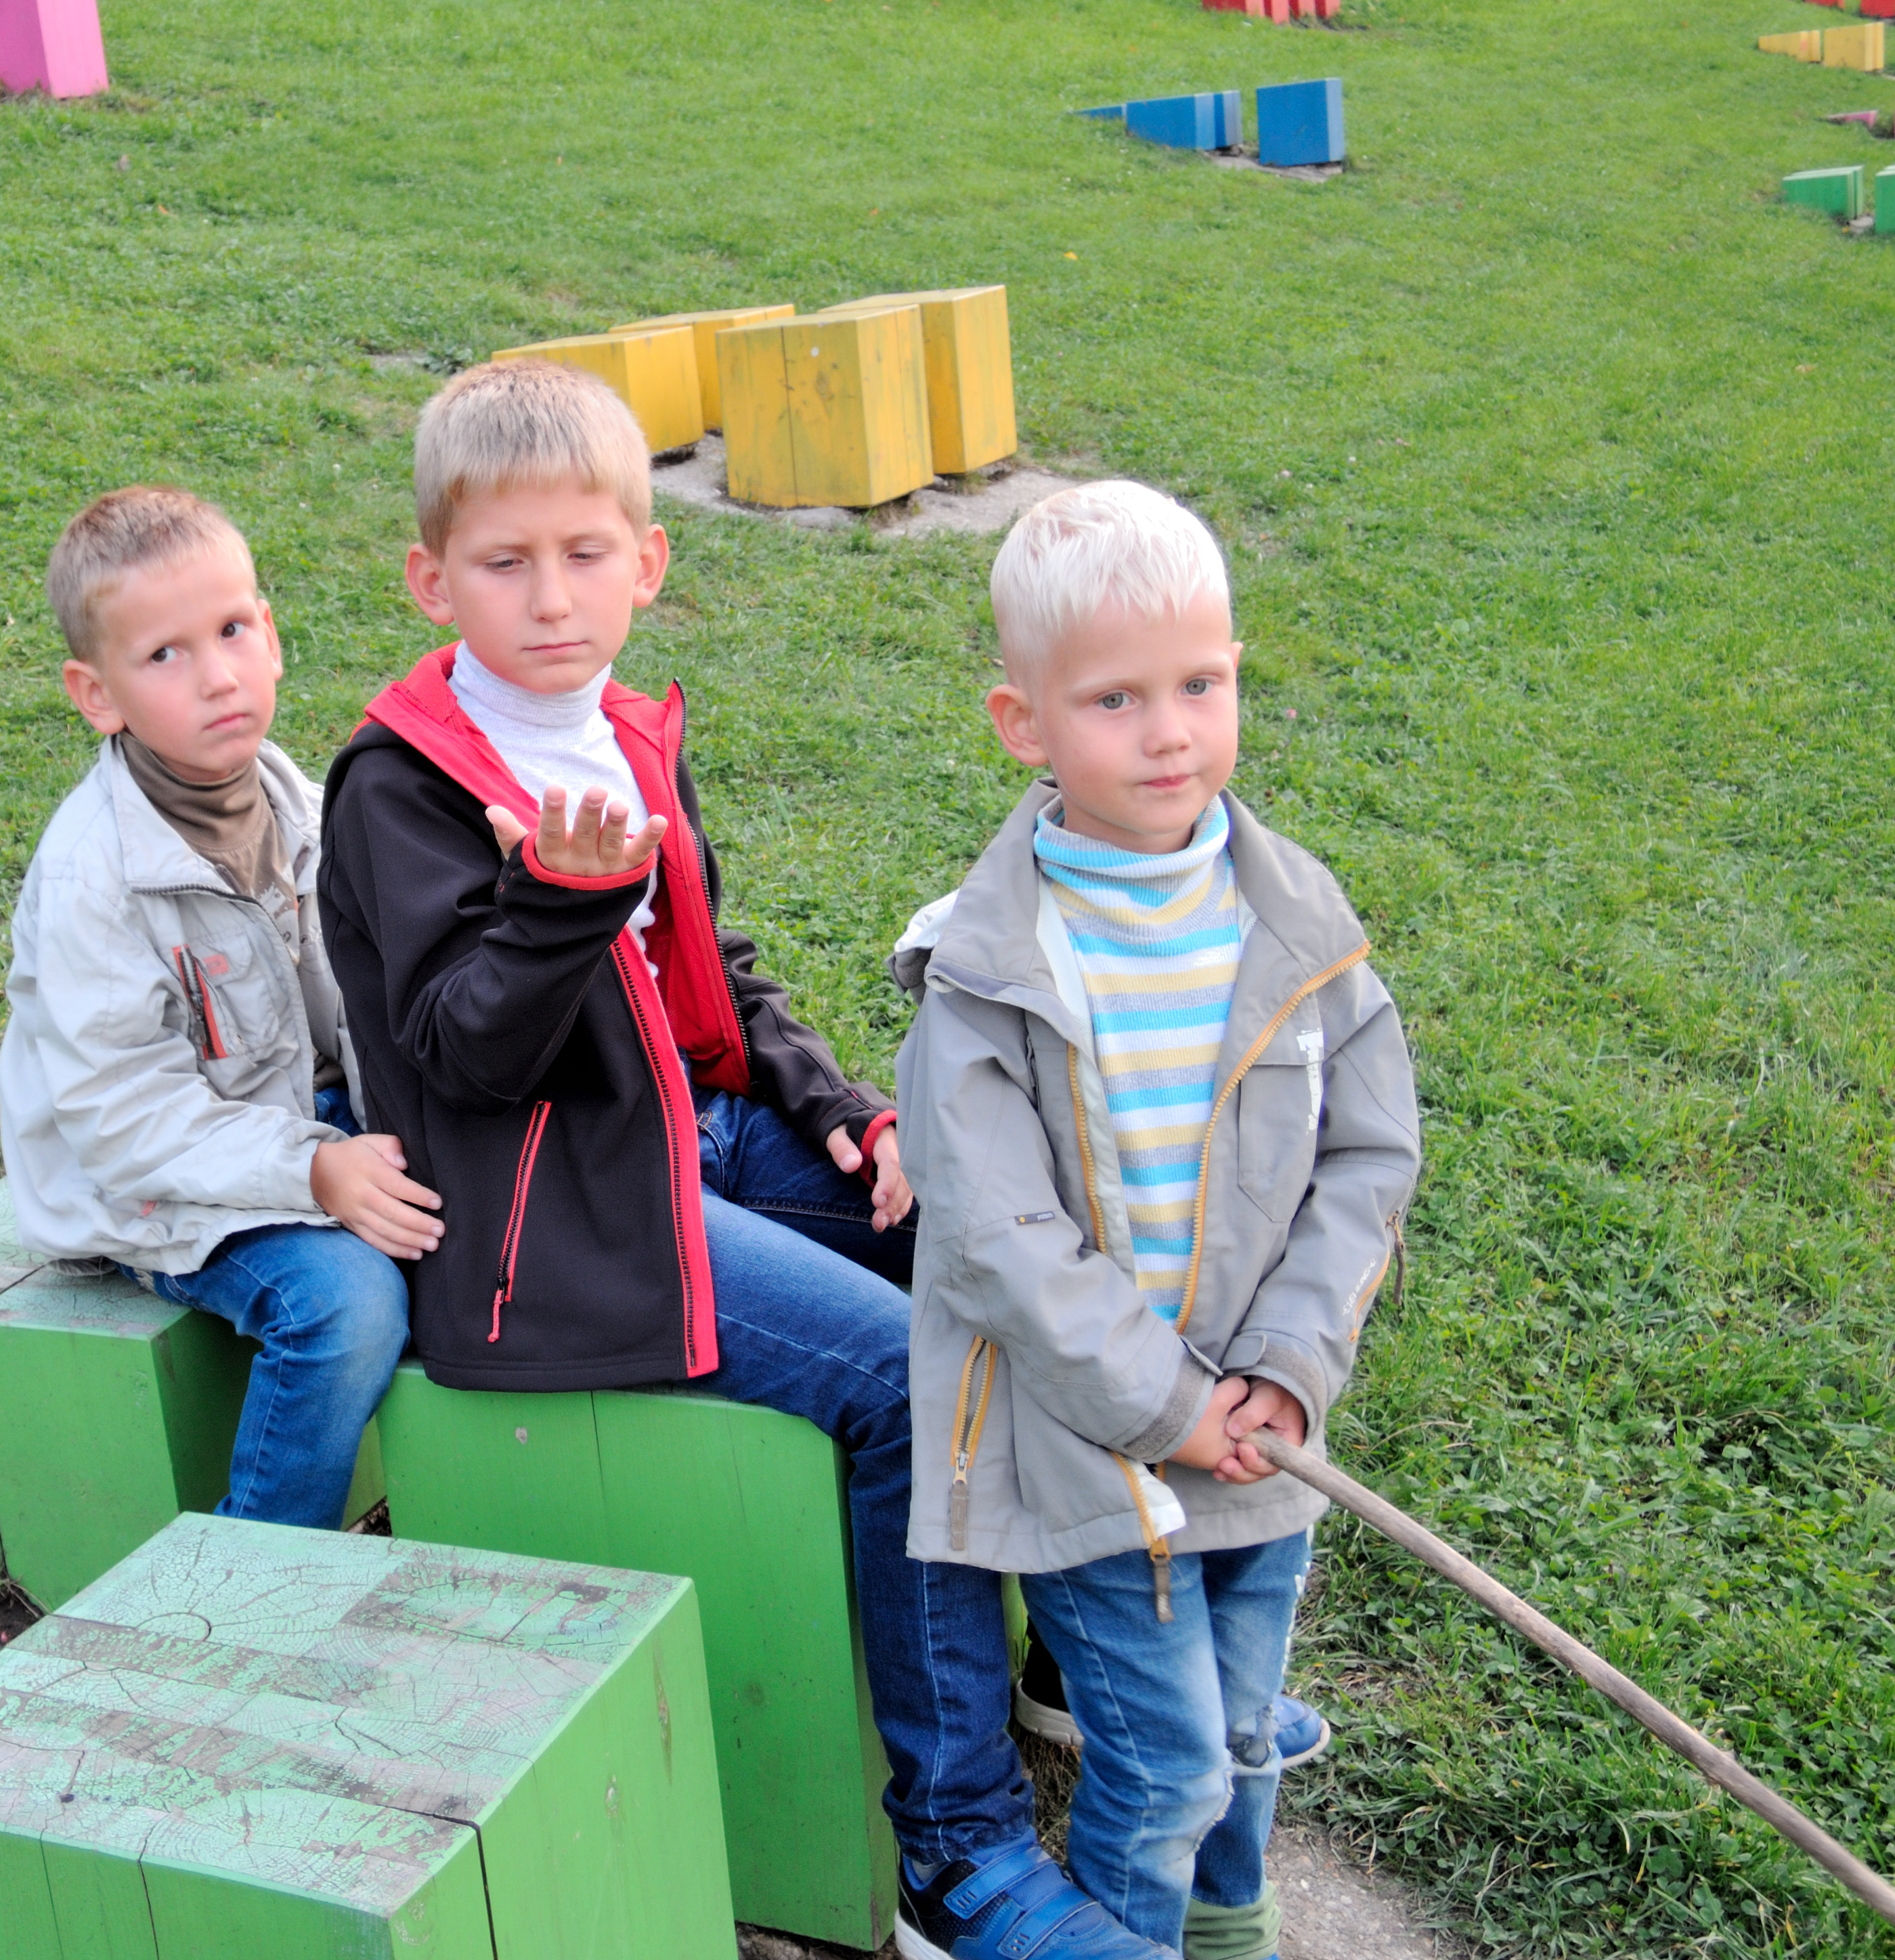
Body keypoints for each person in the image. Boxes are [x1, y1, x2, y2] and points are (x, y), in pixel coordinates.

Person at [322, 359, 1169, 1960]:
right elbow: (459, 1055)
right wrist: (558, 906)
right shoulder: (404, 783)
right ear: (431, 581)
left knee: (1010, 1244)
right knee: (904, 1384)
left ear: (647, 561)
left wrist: (833, 1105)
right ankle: (956, 1861)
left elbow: (704, 971)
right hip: (547, 1226)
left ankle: (1074, 1657)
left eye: (585, 554)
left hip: (689, 1137)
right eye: (503, 563)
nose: (549, 598)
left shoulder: (624, 727)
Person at [892, 479, 1422, 1960]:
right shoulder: (986, 975)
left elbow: (1367, 1156)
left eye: (1199, 684)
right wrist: (1166, 1406)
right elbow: (996, 1242)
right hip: (1086, 1443)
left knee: (1241, 1731)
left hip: (1261, 1426)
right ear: (1023, 722)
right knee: (1169, 1759)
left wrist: (1284, 1370)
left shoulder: (1297, 926)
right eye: (1114, 700)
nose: (1169, 732)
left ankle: (1229, 1928)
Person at [0, 485, 441, 1531]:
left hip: (300, 1122)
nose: (217, 676)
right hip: (154, 1185)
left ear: (272, 636)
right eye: (165, 655)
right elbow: (120, 1119)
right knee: (345, 1307)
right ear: (96, 693)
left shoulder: (309, 805)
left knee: (503, 1205)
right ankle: (259, 1572)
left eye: (234, 630)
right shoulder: (94, 879)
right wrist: (315, 1170)